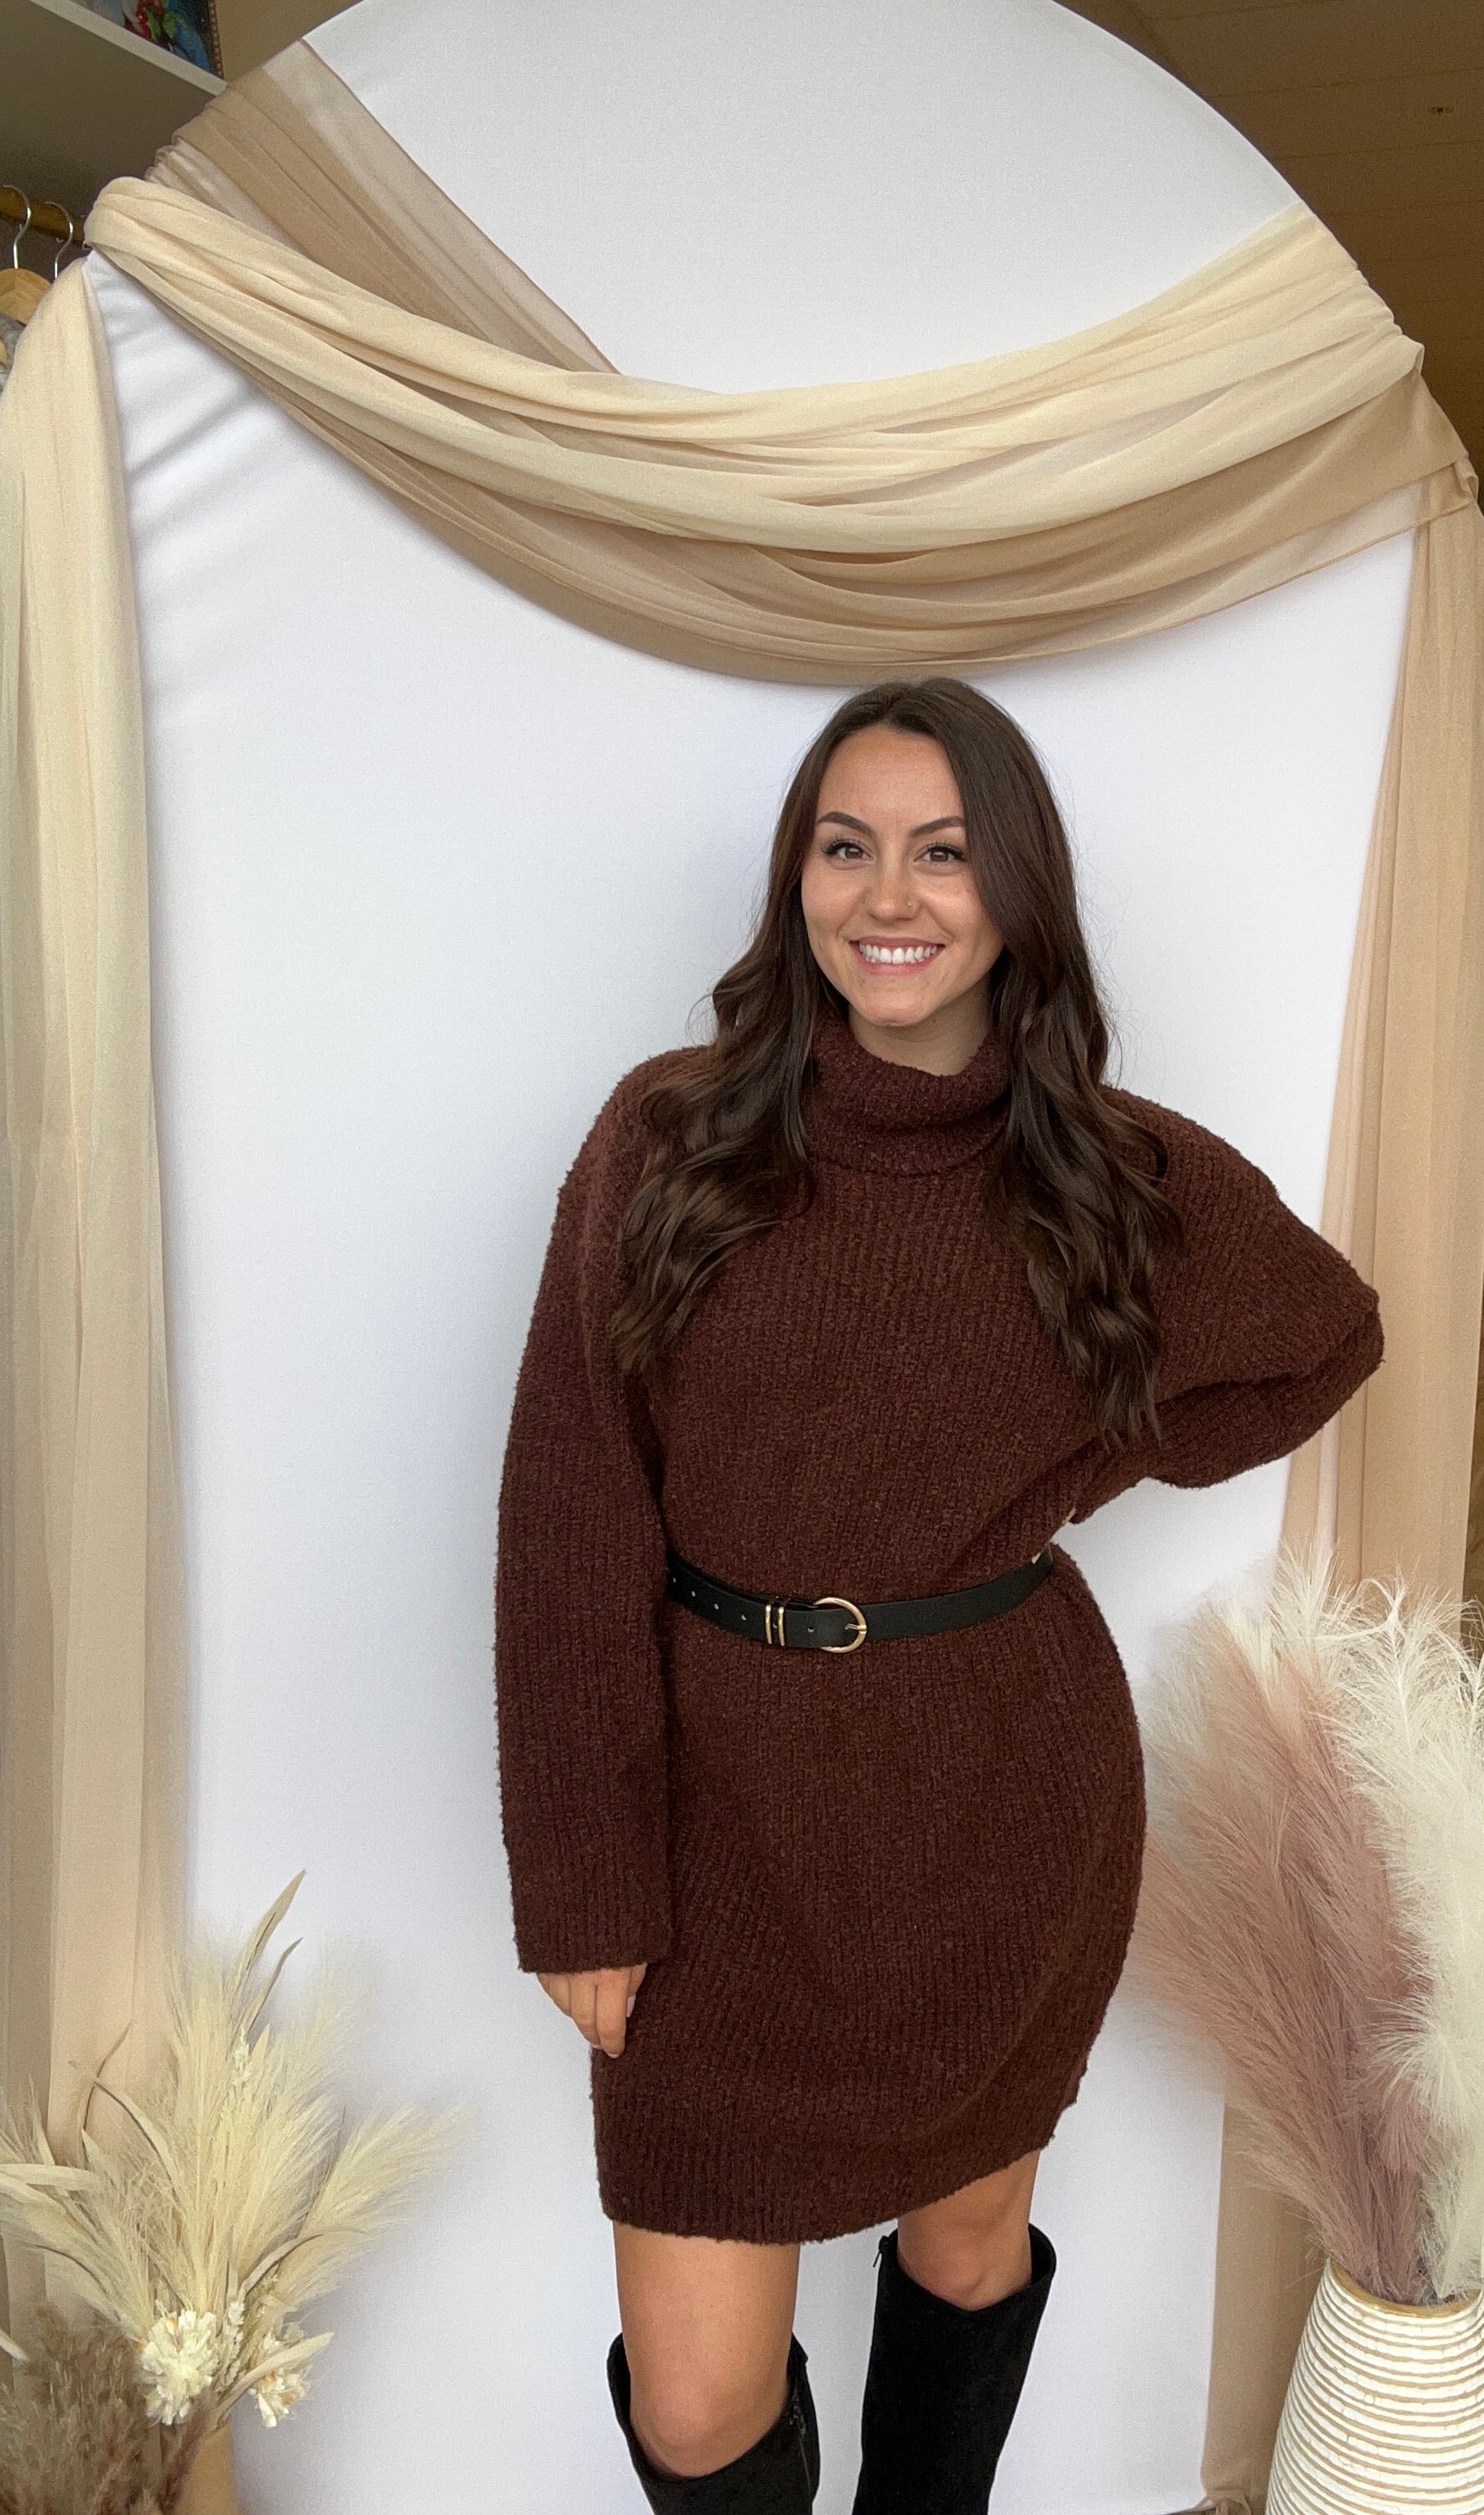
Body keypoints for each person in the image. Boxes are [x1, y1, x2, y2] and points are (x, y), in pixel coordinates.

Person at [493, 678, 1383, 2513]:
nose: (884, 893)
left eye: (941, 849)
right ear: (794, 880)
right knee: (692, 2397)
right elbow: (567, 1509)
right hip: (717, 1827)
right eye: (843, 845)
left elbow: (1319, 1331)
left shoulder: (1090, 1172)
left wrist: (1052, 1475)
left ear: (1011, 893)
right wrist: (582, 1880)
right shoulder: (667, 1141)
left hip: (995, 1800)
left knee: (963, 2251)